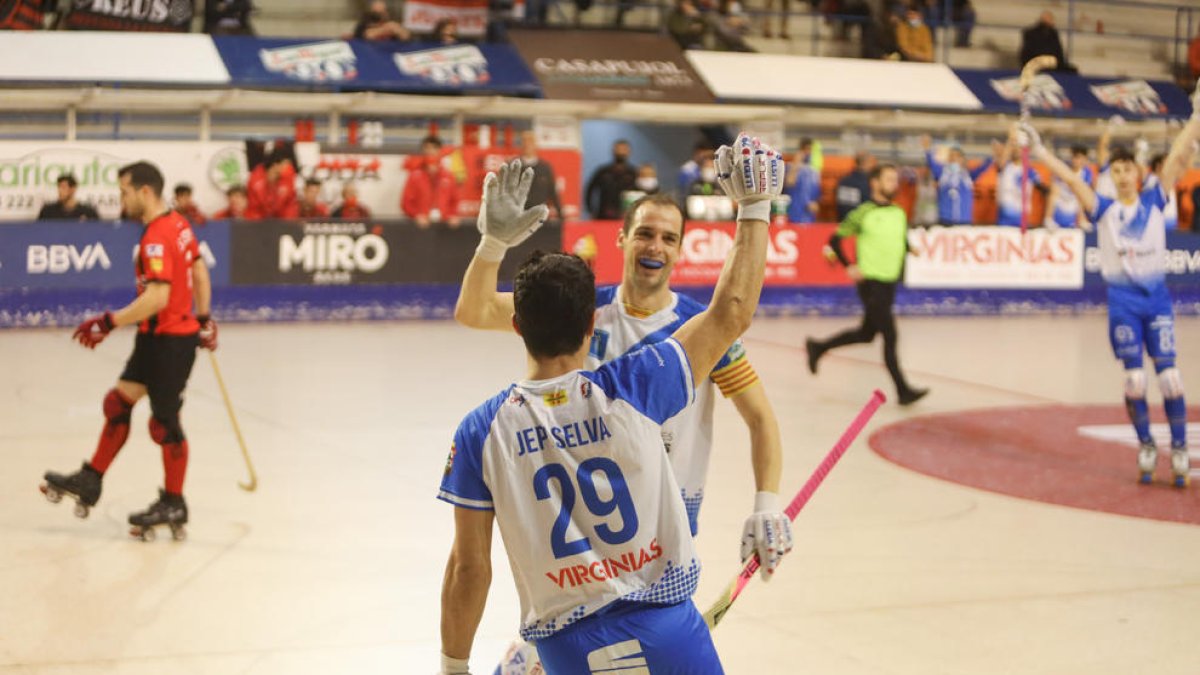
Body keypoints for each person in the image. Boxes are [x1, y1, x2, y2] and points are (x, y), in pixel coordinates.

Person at [439, 134, 788, 675]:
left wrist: (766, 500)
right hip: (645, 587)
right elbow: (733, 310)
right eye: (645, 233)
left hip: (606, 576)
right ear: (620, 241)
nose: (655, 246)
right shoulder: (639, 374)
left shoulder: (485, 427)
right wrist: (756, 207)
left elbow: (760, 416)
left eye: (668, 238)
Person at [1020, 87, 1196, 487]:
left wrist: (1197, 116)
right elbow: (1068, 179)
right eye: (1115, 171)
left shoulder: (1154, 199)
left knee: (1170, 379)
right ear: (1111, 178)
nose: (1122, 176)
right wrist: (1040, 150)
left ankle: (1181, 449)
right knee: (1135, 381)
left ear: (1138, 174)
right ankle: (1147, 443)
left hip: (1157, 303)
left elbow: (1177, 157)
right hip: (1123, 305)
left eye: (1127, 170)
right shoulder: (1104, 210)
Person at [39, 161, 216, 538]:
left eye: (124, 192)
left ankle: (174, 501)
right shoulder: (179, 223)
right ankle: (91, 479)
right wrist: (204, 319)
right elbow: (199, 271)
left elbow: (157, 296)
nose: (122, 199)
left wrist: (108, 322)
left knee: (164, 424)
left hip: (169, 342)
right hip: (158, 338)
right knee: (117, 404)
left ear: (144, 192)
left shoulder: (155, 236)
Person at [806, 164, 929, 405]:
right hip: (871, 283)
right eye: (889, 179)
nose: (894, 184)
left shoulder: (899, 212)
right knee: (890, 335)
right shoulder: (863, 213)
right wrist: (848, 265)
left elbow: (899, 238)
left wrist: (909, 247)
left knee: (866, 334)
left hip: (889, 281)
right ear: (875, 183)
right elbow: (835, 239)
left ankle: (818, 347)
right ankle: (903, 390)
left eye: (896, 180)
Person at [921, 134, 993, 225]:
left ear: (962, 159)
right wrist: (927, 149)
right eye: (951, 156)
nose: (954, 159)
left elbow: (983, 168)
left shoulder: (968, 175)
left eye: (957, 156)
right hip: (945, 220)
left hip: (964, 221)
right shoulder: (942, 173)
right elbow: (931, 163)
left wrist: (993, 156)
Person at [402, 135, 461, 227]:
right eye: (427, 148)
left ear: (440, 151)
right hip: (421, 227)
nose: (430, 151)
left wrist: (452, 215)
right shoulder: (415, 176)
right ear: (422, 151)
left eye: (434, 148)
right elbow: (406, 202)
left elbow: (455, 200)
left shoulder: (448, 176)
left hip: (444, 228)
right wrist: (416, 215)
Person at [993, 129, 1043, 227]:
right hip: (1004, 216)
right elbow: (1002, 160)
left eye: (1019, 148)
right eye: (1015, 148)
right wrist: (1011, 139)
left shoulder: (1030, 171)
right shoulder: (1005, 166)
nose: (1016, 151)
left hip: (1022, 217)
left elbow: (1043, 189)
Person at [585, 140, 638, 220]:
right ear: (613, 151)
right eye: (618, 149)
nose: (621, 153)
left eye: (624, 150)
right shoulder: (603, 172)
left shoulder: (634, 174)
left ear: (629, 152)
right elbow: (590, 190)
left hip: (625, 217)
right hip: (603, 215)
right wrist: (591, 210)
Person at [1044, 145, 1092, 229]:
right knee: (1053, 195)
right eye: (1074, 157)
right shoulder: (1063, 168)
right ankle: (1048, 219)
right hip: (1061, 197)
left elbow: (1083, 193)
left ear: (1085, 160)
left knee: (1081, 197)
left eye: (1079, 158)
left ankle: (1082, 220)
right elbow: (1054, 189)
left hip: (1073, 200)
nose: (1075, 160)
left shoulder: (1087, 173)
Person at [517, 130, 561, 220]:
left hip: (538, 218)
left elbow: (552, 192)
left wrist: (560, 215)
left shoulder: (544, 168)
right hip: (518, 217)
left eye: (530, 142)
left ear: (535, 145)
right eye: (525, 142)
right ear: (521, 145)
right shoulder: (514, 167)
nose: (527, 145)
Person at [246, 150, 298, 220]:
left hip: (281, 221)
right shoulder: (255, 180)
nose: (288, 167)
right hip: (259, 222)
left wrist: (287, 224)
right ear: (275, 165)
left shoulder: (288, 178)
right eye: (285, 164)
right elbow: (253, 207)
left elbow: (290, 204)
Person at [785, 138, 822, 223]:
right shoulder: (790, 166)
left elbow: (816, 197)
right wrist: (796, 163)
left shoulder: (814, 172)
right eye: (806, 149)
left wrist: (815, 206)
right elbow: (789, 183)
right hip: (793, 216)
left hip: (809, 218)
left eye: (811, 150)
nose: (808, 152)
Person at [1143, 154, 1179, 232]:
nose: (1172, 167)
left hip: (1171, 225)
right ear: (1159, 166)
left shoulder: (1169, 181)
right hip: (1157, 226)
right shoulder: (1152, 180)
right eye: (1169, 164)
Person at [836, 151, 874, 220]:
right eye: (871, 163)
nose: (872, 166)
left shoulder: (843, 181)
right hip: (860, 223)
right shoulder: (868, 183)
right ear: (865, 163)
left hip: (844, 221)